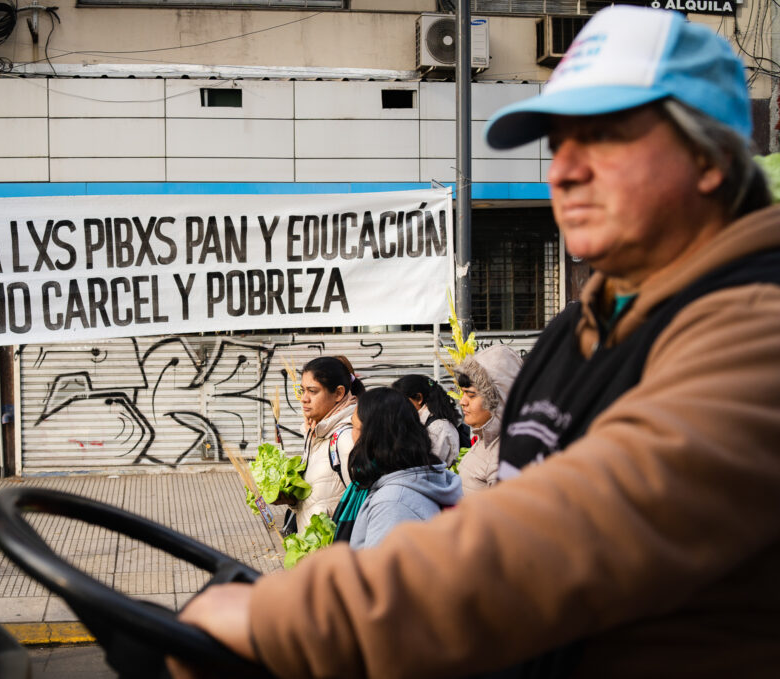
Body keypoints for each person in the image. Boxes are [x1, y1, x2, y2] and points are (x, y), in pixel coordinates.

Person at [168, 7, 780, 677]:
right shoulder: (570, 335)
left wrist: (289, 615)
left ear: (710, 160)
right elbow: (501, 508)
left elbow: (569, 529)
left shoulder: (755, 329)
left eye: (603, 138)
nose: (565, 171)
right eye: (558, 143)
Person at [345, 387, 461, 549]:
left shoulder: (392, 503)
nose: (351, 435)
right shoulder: (414, 480)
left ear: (371, 437)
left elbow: (378, 572)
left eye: (354, 426)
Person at [280, 356, 364, 533]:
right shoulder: (317, 432)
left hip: (337, 553)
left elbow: (364, 504)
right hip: (317, 551)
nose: (304, 398)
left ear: (339, 393)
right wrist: (292, 499)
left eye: (313, 391)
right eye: (302, 390)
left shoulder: (346, 437)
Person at [453, 345, 523, 493]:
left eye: (471, 395)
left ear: (500, 399)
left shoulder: (505, 454)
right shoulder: (487, 439)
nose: (462, 401)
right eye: (463, 393)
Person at [391, 373, 462, 467]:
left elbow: (431, 468)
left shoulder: (438, 428)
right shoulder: (420, 423)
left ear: (419, 398)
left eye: (401, 402)